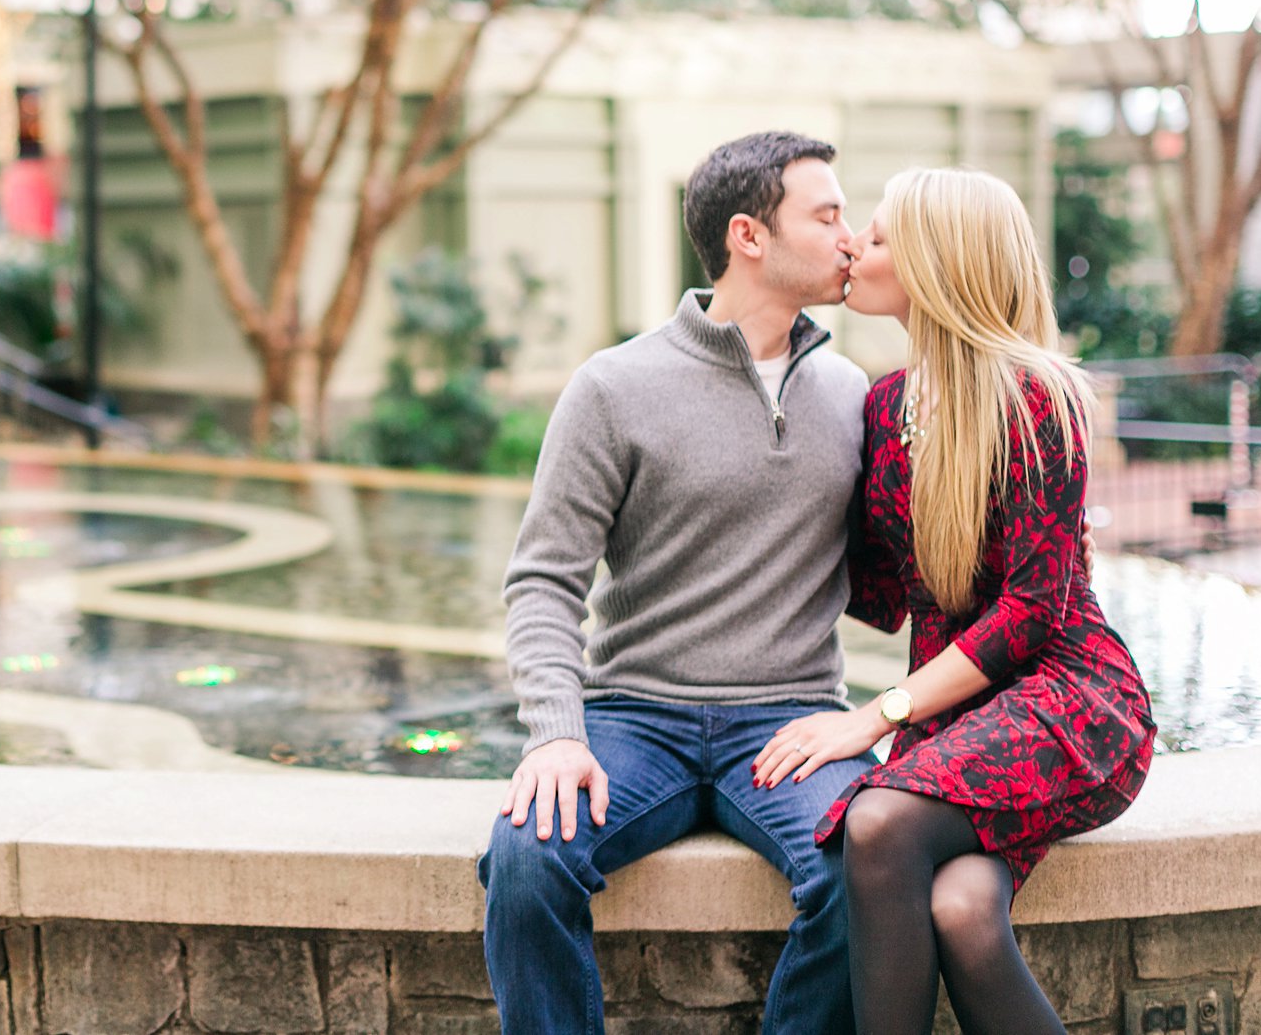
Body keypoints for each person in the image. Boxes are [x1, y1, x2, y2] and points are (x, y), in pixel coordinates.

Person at [482, 131, 872, 1035]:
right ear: (749, 235)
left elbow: (919, 564)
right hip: (634, 716)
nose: (850, 235)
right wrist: (553, 733)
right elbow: (543, 579)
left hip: (792, 719)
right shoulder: (613, 387)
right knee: (525, 857)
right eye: (827, 213)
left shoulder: (856, 394)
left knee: (868, 864)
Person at [750, 166, 1156, 1035]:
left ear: (939, 264)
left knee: (878, 819)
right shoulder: (886, 406)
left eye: (884, 235)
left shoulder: (1034, 394)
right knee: (964, 910)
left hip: (1068, 699)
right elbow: (881, 595)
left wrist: (875, 716)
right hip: (962, 724)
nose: (857, 242)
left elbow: (1032, 610)